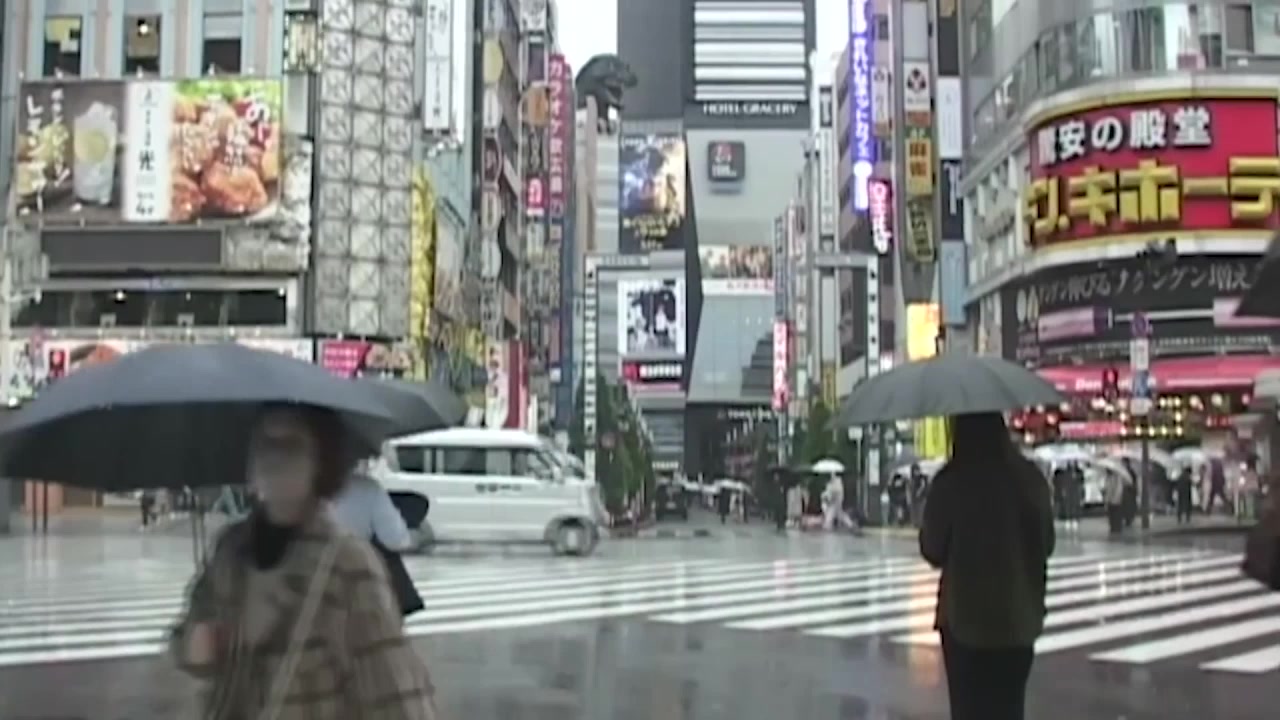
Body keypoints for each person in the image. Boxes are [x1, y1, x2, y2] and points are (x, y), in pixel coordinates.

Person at [169, 405, 437, 719]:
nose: (276, 458)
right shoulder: (231, 549)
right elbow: (187, 636)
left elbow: (394, 689)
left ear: (321, 462)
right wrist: (195, 645)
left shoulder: (347, 563)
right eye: (266, 444)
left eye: (291, 445)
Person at [919, 413, 1054, 720]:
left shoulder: (952, 481)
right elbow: (1047, 543)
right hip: (1018, 617)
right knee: (1009, 707)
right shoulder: (1029, 478)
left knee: (969, 709)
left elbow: (932, 549)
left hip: (965, 620)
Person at [332, 466, 424, 619]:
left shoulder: (296, 485)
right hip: (352, 579)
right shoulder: (366, 488)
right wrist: (415, 538)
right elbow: (395, 539)